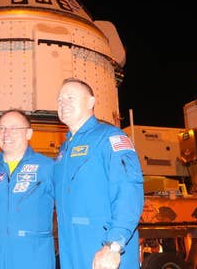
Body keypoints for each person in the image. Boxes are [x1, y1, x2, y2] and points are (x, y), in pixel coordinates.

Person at [54, 78, 144, 269]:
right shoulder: (64, 150)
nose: (63, 103)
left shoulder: (111, 137)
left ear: (91, 102)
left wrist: (113, 245)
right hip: (72, 251)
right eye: (60, 100)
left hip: (102, 250)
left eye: (71, 97)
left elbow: (128, 192)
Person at [0, 109, 56, 268]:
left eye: (14, 128)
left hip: (34, 258)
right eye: (1, 128)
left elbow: (70, 207)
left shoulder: (48, 167)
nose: (6, 133)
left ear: (29, 133)